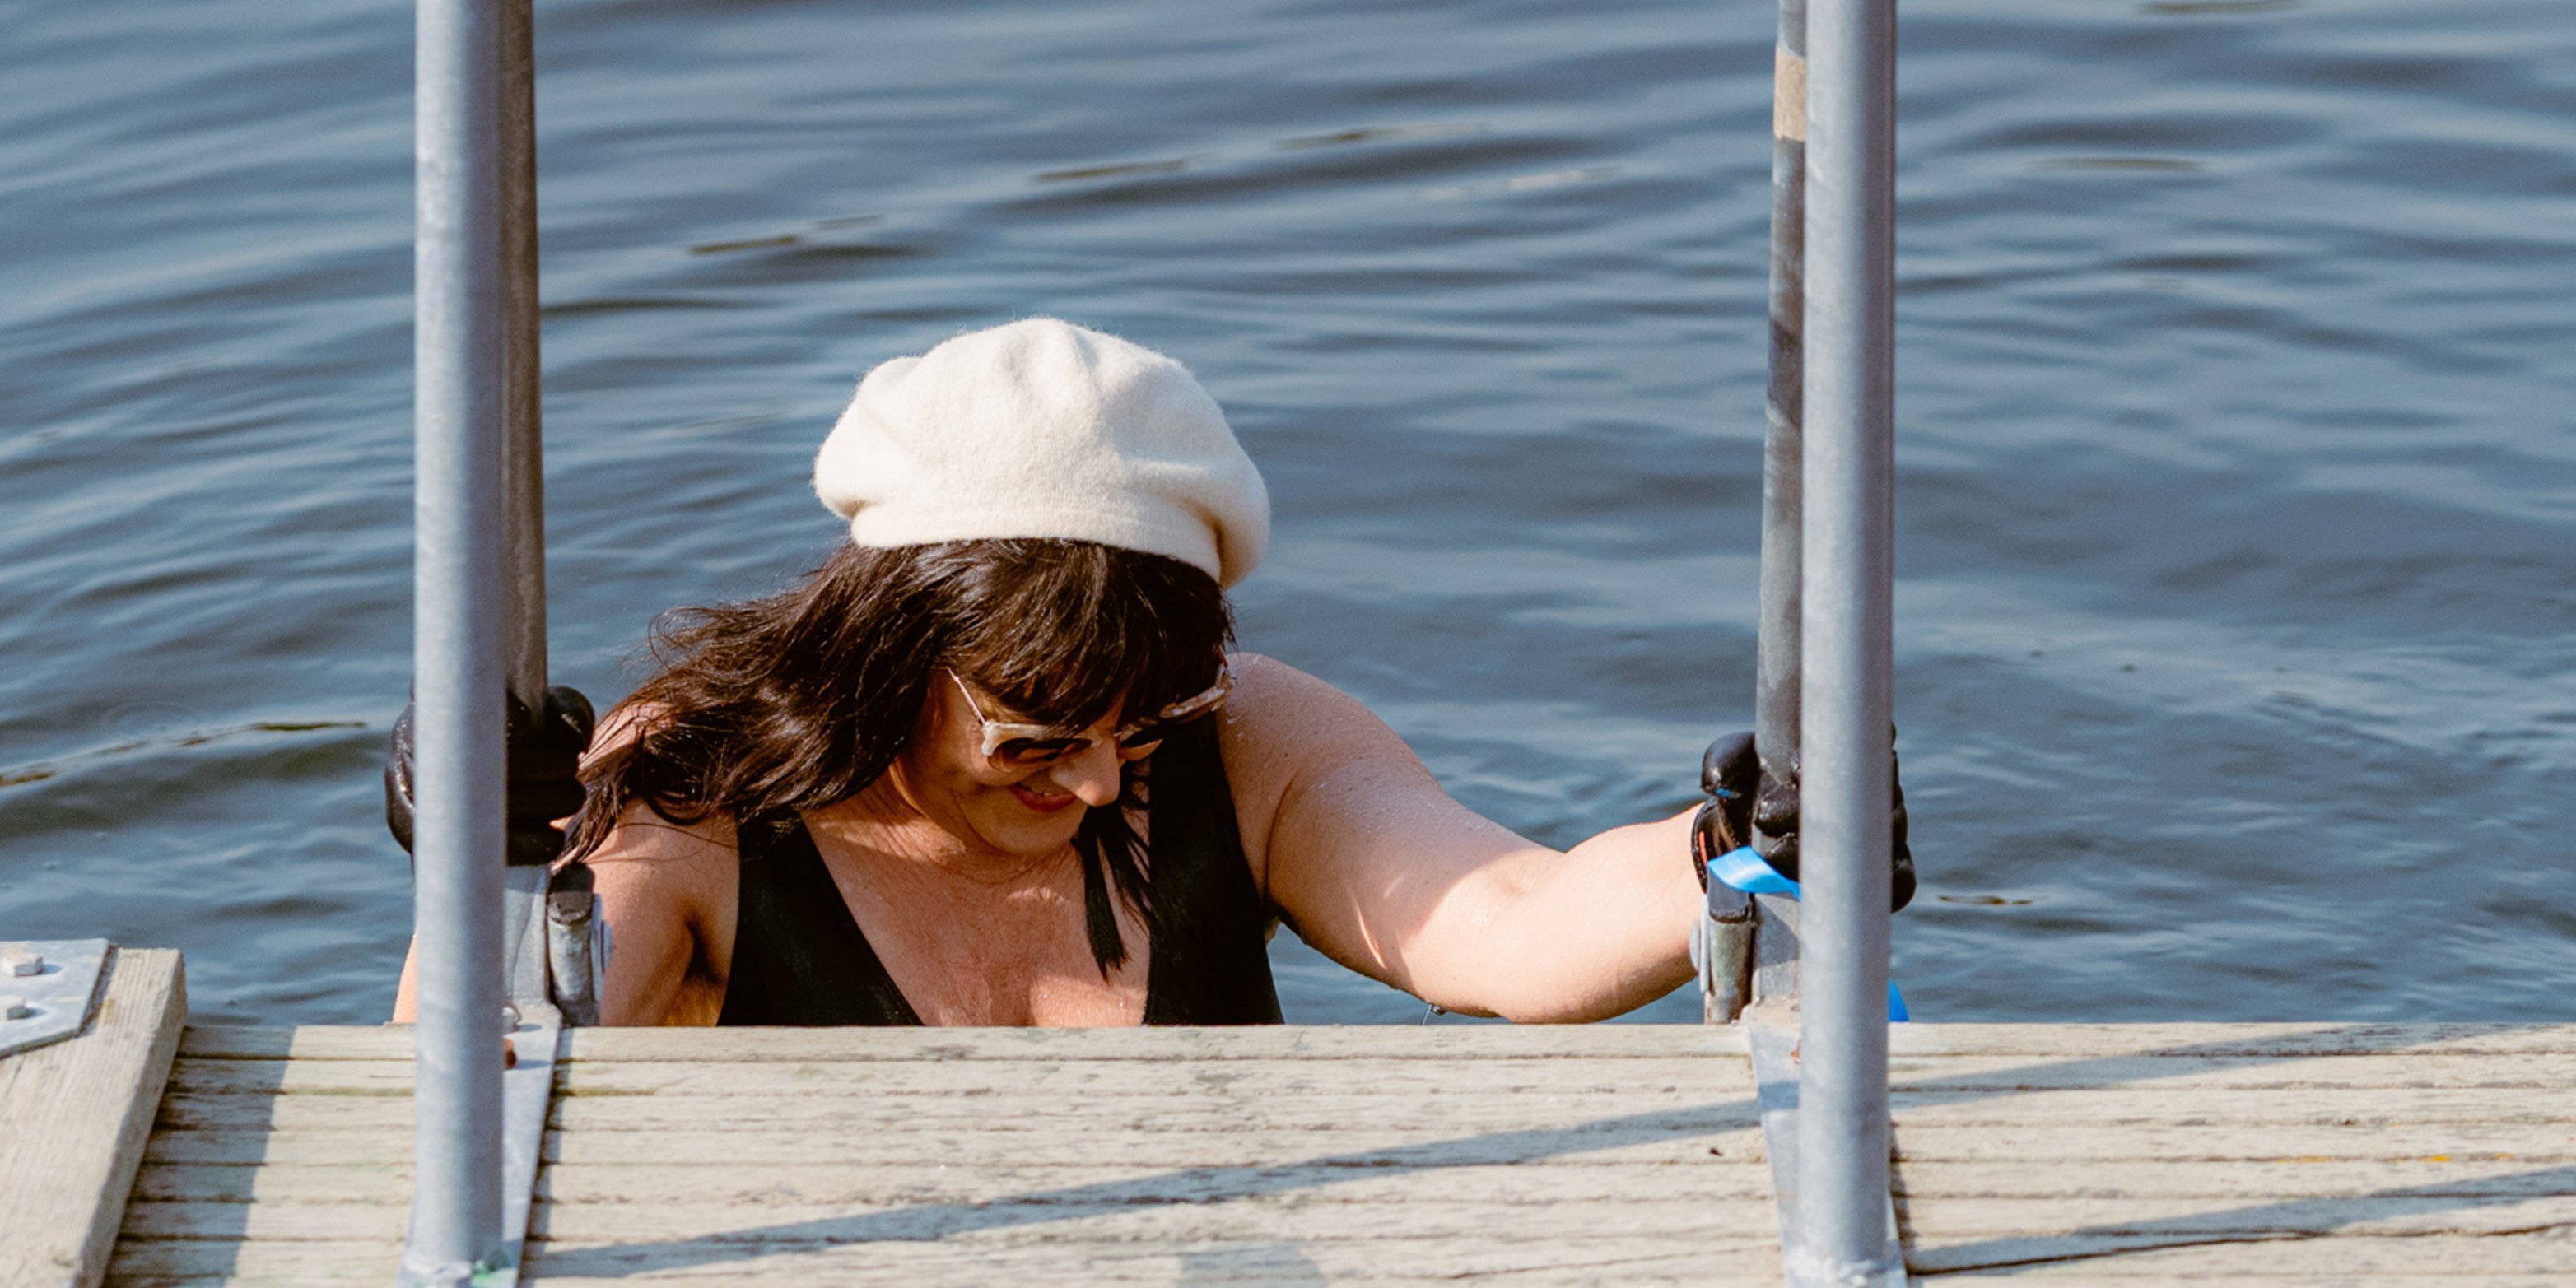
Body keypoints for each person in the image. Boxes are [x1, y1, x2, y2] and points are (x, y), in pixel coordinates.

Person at [393, 316, 1889, 1030]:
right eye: (1041, 736)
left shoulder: (1250, 742)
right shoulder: (696, 791)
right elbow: (484, 1063)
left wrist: (1738, 850)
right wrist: (484, 858)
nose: (1106, 777)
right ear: (886, 655)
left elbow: (1504, 920)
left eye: (1143, 723)